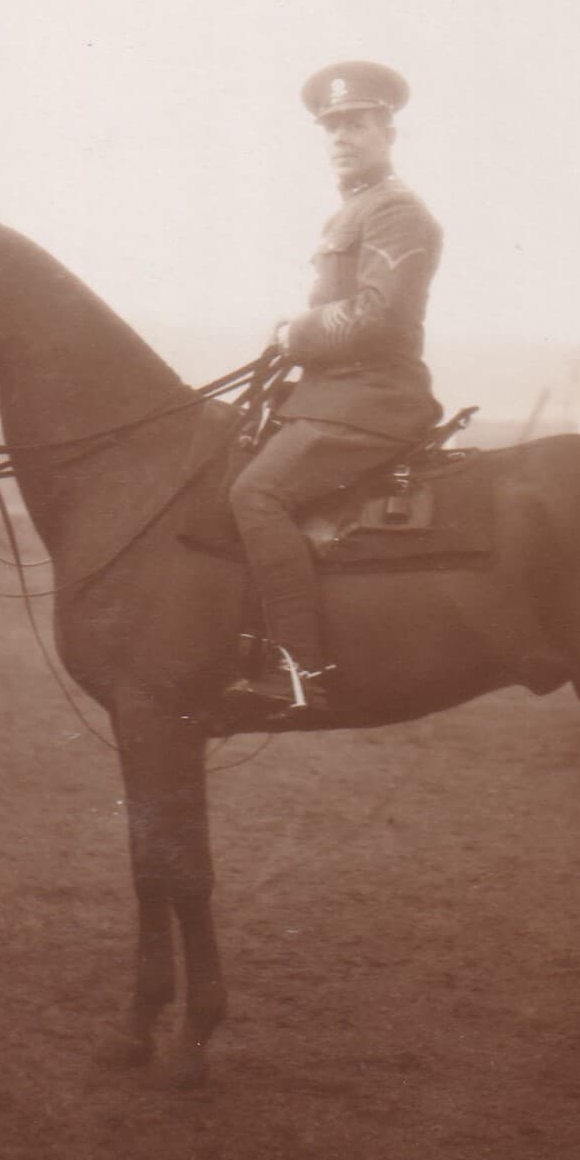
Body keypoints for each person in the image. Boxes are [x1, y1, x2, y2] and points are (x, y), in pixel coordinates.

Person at [223, 60, 443, 718]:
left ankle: (299, 672)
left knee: (256, 493)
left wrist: (296, 332)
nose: (340, 137)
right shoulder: (350, 212)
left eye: (355, 123)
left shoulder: (398, 212)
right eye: (332, 127)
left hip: (375, 398)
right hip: (332, 396)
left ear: (388, 130)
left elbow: (380, 315)